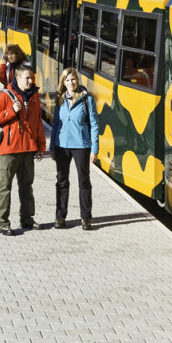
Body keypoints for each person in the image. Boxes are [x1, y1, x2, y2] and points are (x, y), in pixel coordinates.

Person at [0, 63, 46, 235]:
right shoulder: (6, 95)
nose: (31, 81)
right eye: (27, 78)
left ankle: (27, 218)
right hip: (9, 150)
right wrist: (11, 111)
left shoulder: (34, 96)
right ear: (17, 78)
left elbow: (37, 122)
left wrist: (40, 146)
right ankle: (3, 223)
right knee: (4, 187)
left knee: (27, 186)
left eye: (32, 78)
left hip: (28, 149)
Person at [49, 67, 99, 230]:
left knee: (84, 181)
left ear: (78, 80)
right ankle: (60, 217)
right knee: (61, 181)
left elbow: (94, 124)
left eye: (73, 79)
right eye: (68, 80)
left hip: (81, 146)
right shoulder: (60, 99)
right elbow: (55, 124)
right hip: (62, 145)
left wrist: (94, 149)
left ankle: (86, 217)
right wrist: (52, 147)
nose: (71, 83)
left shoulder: (87, 99)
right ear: (63, 82)